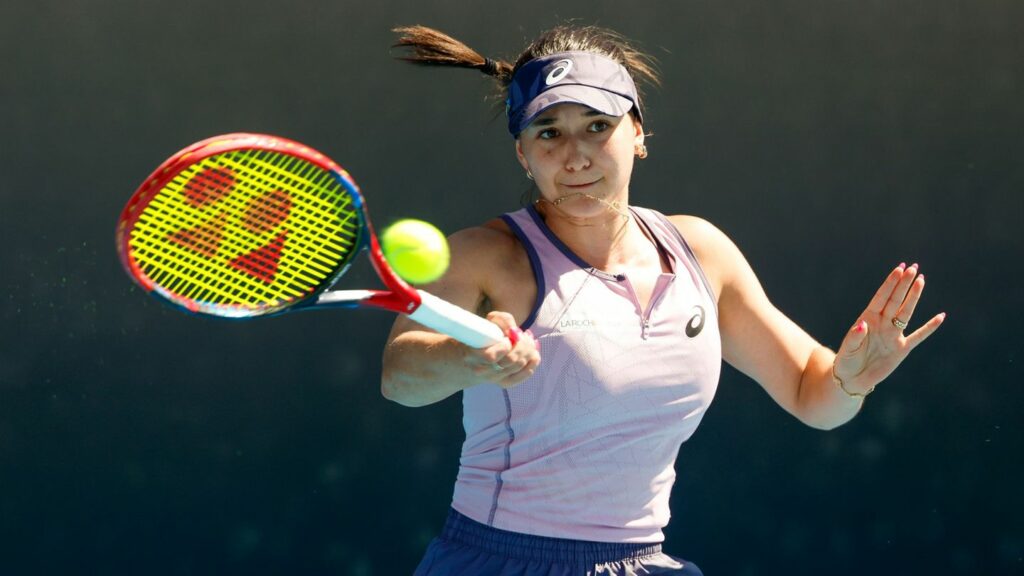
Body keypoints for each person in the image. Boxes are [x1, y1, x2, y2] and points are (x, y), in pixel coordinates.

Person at [381, 24, 945, 576]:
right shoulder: (486, 255)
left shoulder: (699, 250)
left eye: (598, 126)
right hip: (502, 560)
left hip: (642, 561)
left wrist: (851, 380)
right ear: (523, 154)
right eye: (548, 133)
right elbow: (401, 375)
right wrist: (467, 358)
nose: (574, 156)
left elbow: (810, 392)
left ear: (639, 135)